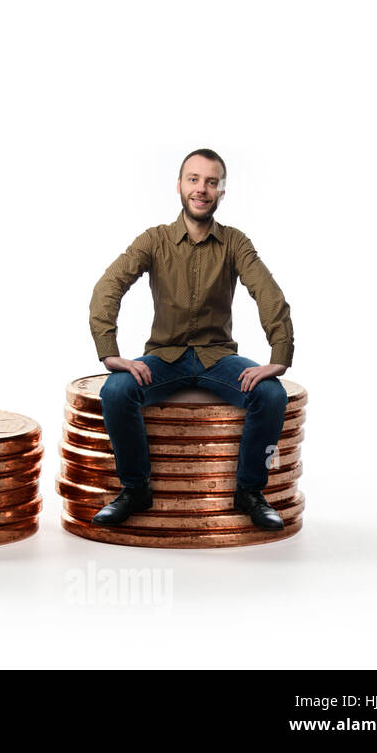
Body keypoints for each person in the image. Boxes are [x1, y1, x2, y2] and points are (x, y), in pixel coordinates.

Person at [87, 149, 294, 530]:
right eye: (194, 179)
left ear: (221, 191)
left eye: (211, 182)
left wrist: (279, 354)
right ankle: (135, 489)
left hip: (219, 360)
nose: (202, 189)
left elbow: (267, 292)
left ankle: (250, 491)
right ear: (180, 186)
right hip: (164, 359)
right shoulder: (154, 240)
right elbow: (107, 288)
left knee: (272, 394)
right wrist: (110, 353)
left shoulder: (234, 243)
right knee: (116, 391)